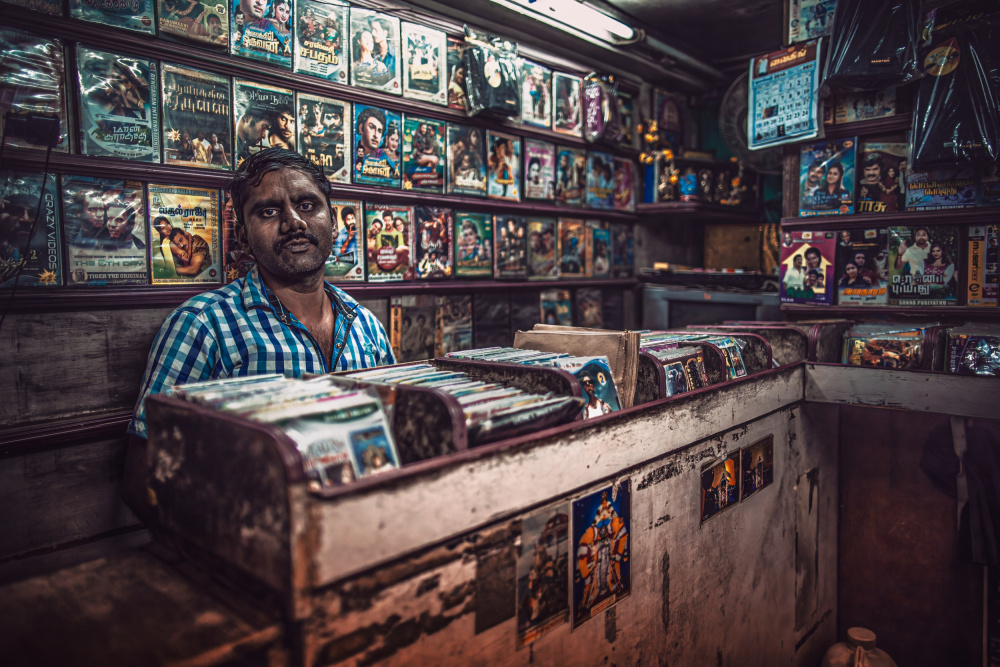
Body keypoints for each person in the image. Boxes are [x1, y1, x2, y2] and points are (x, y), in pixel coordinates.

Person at [129, 149, 395, 438]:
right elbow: (150, 461)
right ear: (244, 238)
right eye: (269, 211)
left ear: (332, 221)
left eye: (307, 205)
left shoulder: (365, 326)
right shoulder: (203, 326)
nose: (294, 222)